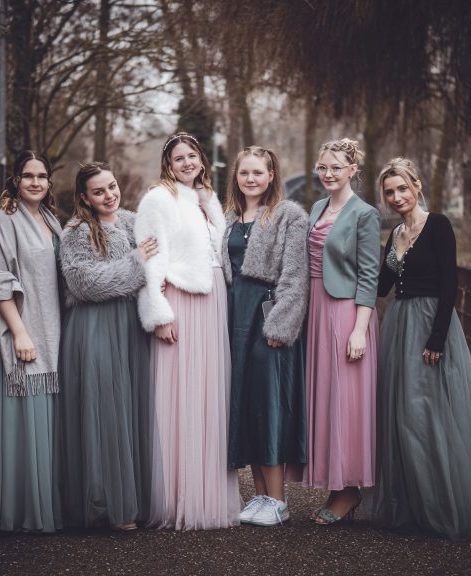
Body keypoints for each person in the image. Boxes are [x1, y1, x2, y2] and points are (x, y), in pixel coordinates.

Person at [373, 157, 471, 539]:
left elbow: (450, 282)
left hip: (429, 325)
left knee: (426, 414)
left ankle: (444, 507)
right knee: (402, 414)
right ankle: (413, 507)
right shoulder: (394, 234)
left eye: (402, 188)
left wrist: (437, 338)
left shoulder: (438, 225)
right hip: (398, 327)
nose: (396, 196)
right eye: (389, 192)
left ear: (417, 186)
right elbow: (382, 285)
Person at [135, 132, 240, 530]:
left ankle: (209, 495)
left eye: (191, 156)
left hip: (213, 303)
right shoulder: (158, 199)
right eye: (178, 158)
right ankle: (177, 497)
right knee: (180, 396)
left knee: (209, 394)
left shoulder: (208, 200)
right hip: (181, 302)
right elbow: (150, 258)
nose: (186, 163)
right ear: (168, 164)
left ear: (201, 159)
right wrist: (159, 314)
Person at [55, 162, 157, 531]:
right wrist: (136, 264)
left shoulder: (132, 222)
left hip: (130, 328)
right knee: (104, 413)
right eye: (99, 191)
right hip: (96, 328)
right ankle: (109, 506)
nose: (109, 195)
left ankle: (134, 497)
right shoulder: (78, 232)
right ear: (84, 197)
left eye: (112, 187)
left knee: (130, 410)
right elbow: (83, 283)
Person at [222, 146, 309, 527]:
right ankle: (258, 495)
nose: (251, 179)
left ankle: (278, 499)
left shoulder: (289, 215)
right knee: (247, 401)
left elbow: (296, 274)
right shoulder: (228, 218)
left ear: (271, 175)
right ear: (236, 177)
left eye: (258, 172)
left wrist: (281, 325)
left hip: (267, 312)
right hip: (235, 314)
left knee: (270, 402)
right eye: (245, 173)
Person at [0, 149, 63, 532]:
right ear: (15, 179)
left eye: (41, 176)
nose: (35, 182)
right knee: (24, 423)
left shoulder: (49, 218)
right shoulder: (6, 218)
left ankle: (47, 502)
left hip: (53, 331)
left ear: (49, 182)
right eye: (27, 175)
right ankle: (21, 511)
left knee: (46, 423)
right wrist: (20, 332)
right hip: (25, 334)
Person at [300, 137, 380, 525]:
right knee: (326, 397)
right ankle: (336, 482)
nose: (328, 173)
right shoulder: (316, 207)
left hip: (346, 311)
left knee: (346, 400)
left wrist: (360, 330)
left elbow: (369, 275)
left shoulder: (364, 213)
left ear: (353, 171)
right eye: (323, 167)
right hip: (316, 308)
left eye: (336, 167)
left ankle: (349, 490)